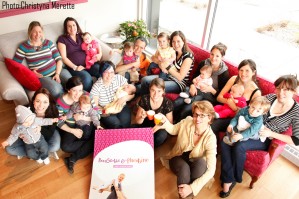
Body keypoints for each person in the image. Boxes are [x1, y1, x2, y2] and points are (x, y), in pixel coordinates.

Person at [219, 74, 299, 198]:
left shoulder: (296, 111)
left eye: (286, 89)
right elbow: (250, 107)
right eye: (278, 88)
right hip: (248, 126)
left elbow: (296, 141)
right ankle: (229, 177)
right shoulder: (271, 97)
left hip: (263, 137)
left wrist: (271, 133)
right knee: (226, 140)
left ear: (294, 91)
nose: (280, 92)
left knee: (239, 145)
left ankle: (233, 178)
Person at [154, 101, 217, 199]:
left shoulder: (211, 138)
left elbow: (211, 170)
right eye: (196, 115)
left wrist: (192, 187)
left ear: (209, 118)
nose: (197, 119)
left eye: (202, 116)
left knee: (201, 164)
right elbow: (173, 129)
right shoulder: (188, 121)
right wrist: (164, 122)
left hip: (195, 162)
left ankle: (187, 192)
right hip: (178, 157)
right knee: (184, 169)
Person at [13, 21, 72, 99]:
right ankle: (63, 107)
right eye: (35, 32)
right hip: (43, 77)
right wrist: (30, 72)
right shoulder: (24, 47)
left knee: (72, 83)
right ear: (30, 32)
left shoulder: (48, 43)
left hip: (58, 70)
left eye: (40, 32)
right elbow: (15, 65)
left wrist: (57, 74)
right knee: (56, 90)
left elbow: (59, 59)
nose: (38, 34)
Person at [173, 42, 229, 123]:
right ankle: (168, 122)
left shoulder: (224, 73)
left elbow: (220, 96)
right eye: (212, 54)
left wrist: (211, 89)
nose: (213, 58)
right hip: (195, 88)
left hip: (208, 97)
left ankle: (176, 127)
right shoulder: (203, 63)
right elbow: (193, 79)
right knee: (177, 102)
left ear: (222, 57)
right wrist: (192, 86)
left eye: (217, 56)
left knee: (186, 108)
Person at [211, 59, 261, 140]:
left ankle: (212, 150)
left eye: (247, 71)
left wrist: (233, 107)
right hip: (224, 108)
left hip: (236, 119)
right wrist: (228, 101)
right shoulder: (234, 79)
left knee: (214, 124)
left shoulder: (256, 92)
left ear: (253, 72)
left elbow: (250, 115)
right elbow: (219, 97)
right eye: (241, 70)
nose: (243, 74)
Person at [5, 88, 61, 160]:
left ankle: (40, 152)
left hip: (46, 133)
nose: (41, 105)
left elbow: (49, 134)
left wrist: (40, 129)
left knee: (55, 146)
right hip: (28, 136)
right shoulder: (25, 109)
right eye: (38, 101)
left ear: (49, 103)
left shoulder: (54, 111)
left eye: (45, 102)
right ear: (33, 101)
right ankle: (35, 154)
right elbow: (18, 125)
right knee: (9, 149)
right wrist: (21, 134)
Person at [56, 76, 95, 174]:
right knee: (65, 147)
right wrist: (73, 131)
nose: (78, 94)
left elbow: (97, 114)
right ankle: (91, 143)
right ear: (68, 90)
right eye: (74, 90)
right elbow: (59, 121)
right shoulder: (60, 102)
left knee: (94, 135)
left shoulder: (87, 96)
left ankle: (73, 158)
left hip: (86, 123)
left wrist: (83, 118)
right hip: (71, 126)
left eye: (80, 90)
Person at [138, 31, 194, 95]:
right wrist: (160, 62)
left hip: (178, 83)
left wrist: (166, 66)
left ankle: (144, 99)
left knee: (156, 87)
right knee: (144, 80)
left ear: (183, 41)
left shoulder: (188, 56)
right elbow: (153, 57)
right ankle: (140, 95)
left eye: (178, 41)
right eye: (173, 41)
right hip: (168, 76)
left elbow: (180, 77)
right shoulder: (173, 50)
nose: (175, 44)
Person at [57, 17, 102, 91]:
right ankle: (88, 99)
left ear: (77, 26)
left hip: (89, 63)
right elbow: (63, 58)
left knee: (101, 70)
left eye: (74, 25)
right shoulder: (62, 39)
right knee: (87, 79)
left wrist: (100, 54)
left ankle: (103, 92)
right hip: (75, 68)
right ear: (66, 28)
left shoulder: (82, 35)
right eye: (69, 26)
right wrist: (75, 67)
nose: (72, 28)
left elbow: (96, 43)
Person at [91, 61, 133, 129]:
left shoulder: (119, 78)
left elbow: (132, 93)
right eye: (106, 72)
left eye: (111, 72)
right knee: (116, 126)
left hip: (121, 106)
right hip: (107, 111)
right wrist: (103, 110)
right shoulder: (96, 87)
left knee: (126, 124)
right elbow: (95, 106)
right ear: (101, 72)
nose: (109, 75)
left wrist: (124, 98)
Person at [134, 78, 173, 147]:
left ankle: (147, 147)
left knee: (161, 136)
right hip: (145, 125)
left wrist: (159, 125)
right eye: (153, 90)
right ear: (149, 90)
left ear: (163, 91)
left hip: (159, 127)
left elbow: (170, 123)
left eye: (159, 91)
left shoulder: (167, 103)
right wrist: (142, 117)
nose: (155, 94)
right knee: (130, 128)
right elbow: (137, 121)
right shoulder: (144, 99)